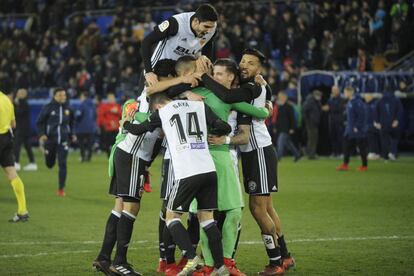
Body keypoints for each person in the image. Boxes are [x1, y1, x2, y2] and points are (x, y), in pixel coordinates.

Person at [205, 49, 294, 275]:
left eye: (251, 63)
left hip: (259, 151)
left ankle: (275, 262)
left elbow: (227, 97)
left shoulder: (250, 88)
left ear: (259, 69)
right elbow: (264, 94)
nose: (244, 65)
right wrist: (269, 101)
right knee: (267, 208)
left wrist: (202, 77)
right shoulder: (255, 85)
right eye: (243, 61)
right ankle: (284, 256)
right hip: (251, 153)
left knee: (257, 209)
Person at [122, 94, 232, 276]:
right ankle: (220, 267)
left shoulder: (162, 112)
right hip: (208, 170)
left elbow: (138, 129)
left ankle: (191, 258)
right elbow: (225, 127)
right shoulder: (199, 106)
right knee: (208, 220)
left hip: (187, 172)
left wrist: (125, 122)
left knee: (171, 216)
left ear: (156, 107)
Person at [93, 99, 159, 276]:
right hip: (133, 156)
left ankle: (104, 257)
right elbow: (143, 131)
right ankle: (120, 262)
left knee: (119, 207)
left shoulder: (134, 102)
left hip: (124, 153)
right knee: (131, 207)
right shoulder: (152, 104)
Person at [139, 3, 218, 90]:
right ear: (196, 21)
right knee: (149, 100)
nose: (209, 31)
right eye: (206, 26)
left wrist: (204, 56)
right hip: (161, 69)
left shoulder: (212, 29)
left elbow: (209, 43)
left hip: (184, 71)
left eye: (211, 27)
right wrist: (149, 72)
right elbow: (146, 41)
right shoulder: (176, 23)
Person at [36, 88, 75, 196]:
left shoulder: (69, 108)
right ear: (54, 96)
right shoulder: (48, 107)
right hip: (50, 140)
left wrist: (72, 134)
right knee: (50, 164)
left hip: (64, 140)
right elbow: (39, 122)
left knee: (62, 163)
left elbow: (72, 123)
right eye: (60, 95)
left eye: (64, 95)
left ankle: (61, 189)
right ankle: (47, 155)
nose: (63, 97)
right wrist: (42, 134)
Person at [0, 90, 29, 222]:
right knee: (12, 174)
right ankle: (22, 211)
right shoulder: (7, 101)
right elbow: (13, 124)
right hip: (6, 139)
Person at [337, 87, 368, 171]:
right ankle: (345, 165)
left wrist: (357, 126)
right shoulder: (350, 102)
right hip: (349, 129)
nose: (344, 94)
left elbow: (362, 115)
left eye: (345, 92)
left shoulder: (357, 102)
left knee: (361, 148)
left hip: (357, 130)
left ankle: (364, 166)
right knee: (346, 147)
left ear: (351, 92)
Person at [374, 90, 403, 161]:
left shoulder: (379, 100)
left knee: (385, 140)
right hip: (393, 122)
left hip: (383, 123)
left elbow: (375, 112)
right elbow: (400, 111)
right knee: (394, 138)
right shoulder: (396, 100)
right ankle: (392, 153)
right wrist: (397, 120)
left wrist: (377, 122)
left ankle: (386, 155)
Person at [13, 88, 37, 171]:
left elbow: (18, 113)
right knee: (27, 146)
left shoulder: (23, 103)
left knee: (17, 145)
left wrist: (15, 105)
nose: (18, 94)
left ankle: (16, 163)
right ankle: (32, 163)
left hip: (22, 129)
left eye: (20, 93)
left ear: (24, 94)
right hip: (24, 128)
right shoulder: (22, 103)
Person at [275, 91, 301, 161]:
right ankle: (297, 155)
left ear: (284, 97)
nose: (279, 98)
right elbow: (278, 118)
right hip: (281, 128)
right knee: (289, 144)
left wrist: (292, 128)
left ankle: (278, 157)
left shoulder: (289, 107)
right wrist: (276, 127)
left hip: (286, 128)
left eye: (280, 96)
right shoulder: (280, 107)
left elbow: (292, 118)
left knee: (280, 143)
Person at [75, 91, 97, 162]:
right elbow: (95, 116)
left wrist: (76, 121)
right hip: (91, 128)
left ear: (84, 96)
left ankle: (83, 157)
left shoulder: (82, 105)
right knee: (90, 144)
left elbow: (78, 115)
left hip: (81, 128)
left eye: (81, 96)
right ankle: (89, 158)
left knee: (81, 144)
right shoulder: (93, 105)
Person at [326, 86, 346, 158]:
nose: (333, 91)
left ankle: (341, 153)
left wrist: (330, 107)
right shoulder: (331, 99)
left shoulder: (341, 99)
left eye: (335, 90)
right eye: (333, 90)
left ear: (338, 91)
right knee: (333, 137)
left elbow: (338, 108)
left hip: (339, 120)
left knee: (340, 137)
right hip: (332, 120)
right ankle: (335, 152)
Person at [302, 89, 322, 159]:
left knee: (313, 138)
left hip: (314, 122)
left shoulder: (315, 101)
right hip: (311, 123)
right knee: (312, 139)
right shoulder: (310, 101)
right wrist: (308, 121)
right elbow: (304, 111)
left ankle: (310, 153)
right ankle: (311, 154)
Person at [365, 93, 381, 160]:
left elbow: (376, 115)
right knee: (370, 139)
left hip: (373, 125)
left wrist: (376, 122)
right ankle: (373, 152)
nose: (366, 99)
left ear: (371, 97)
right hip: (367, 125)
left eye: (368, 97)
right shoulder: (366, 105)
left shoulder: (374, 104)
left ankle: (374, 152)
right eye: (365, 97)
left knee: (373, 139)